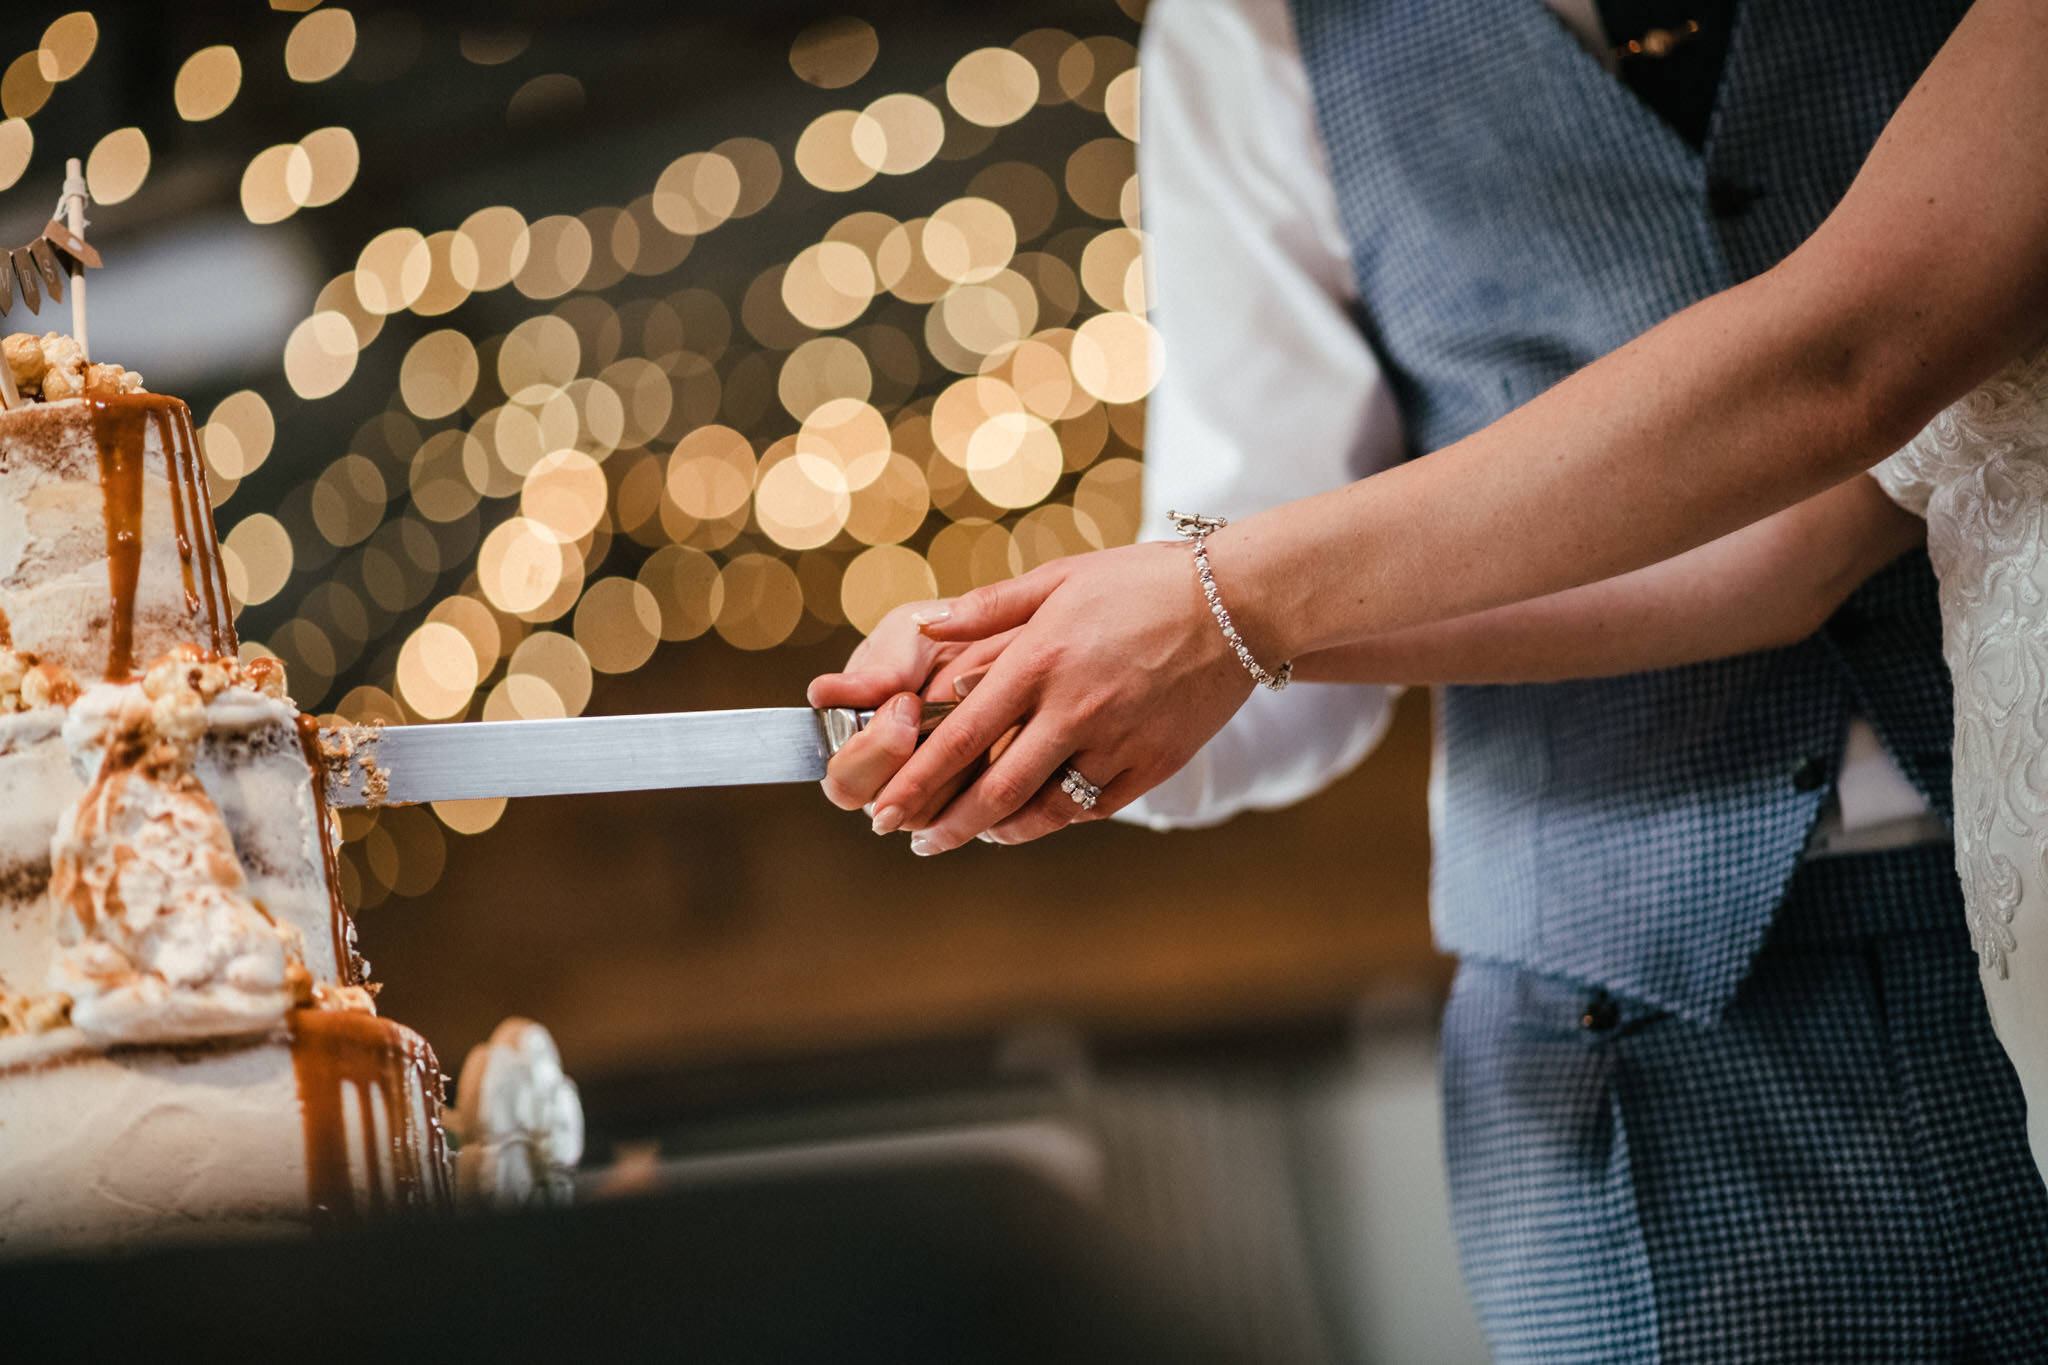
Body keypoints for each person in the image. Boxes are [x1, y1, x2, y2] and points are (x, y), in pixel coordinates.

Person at [812, 0, 2048, 1357]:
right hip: (1634, 1015)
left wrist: (1205, 621)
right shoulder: (1247, 32)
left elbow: (1843, 399)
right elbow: (1261, 572)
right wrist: (1063, 689)